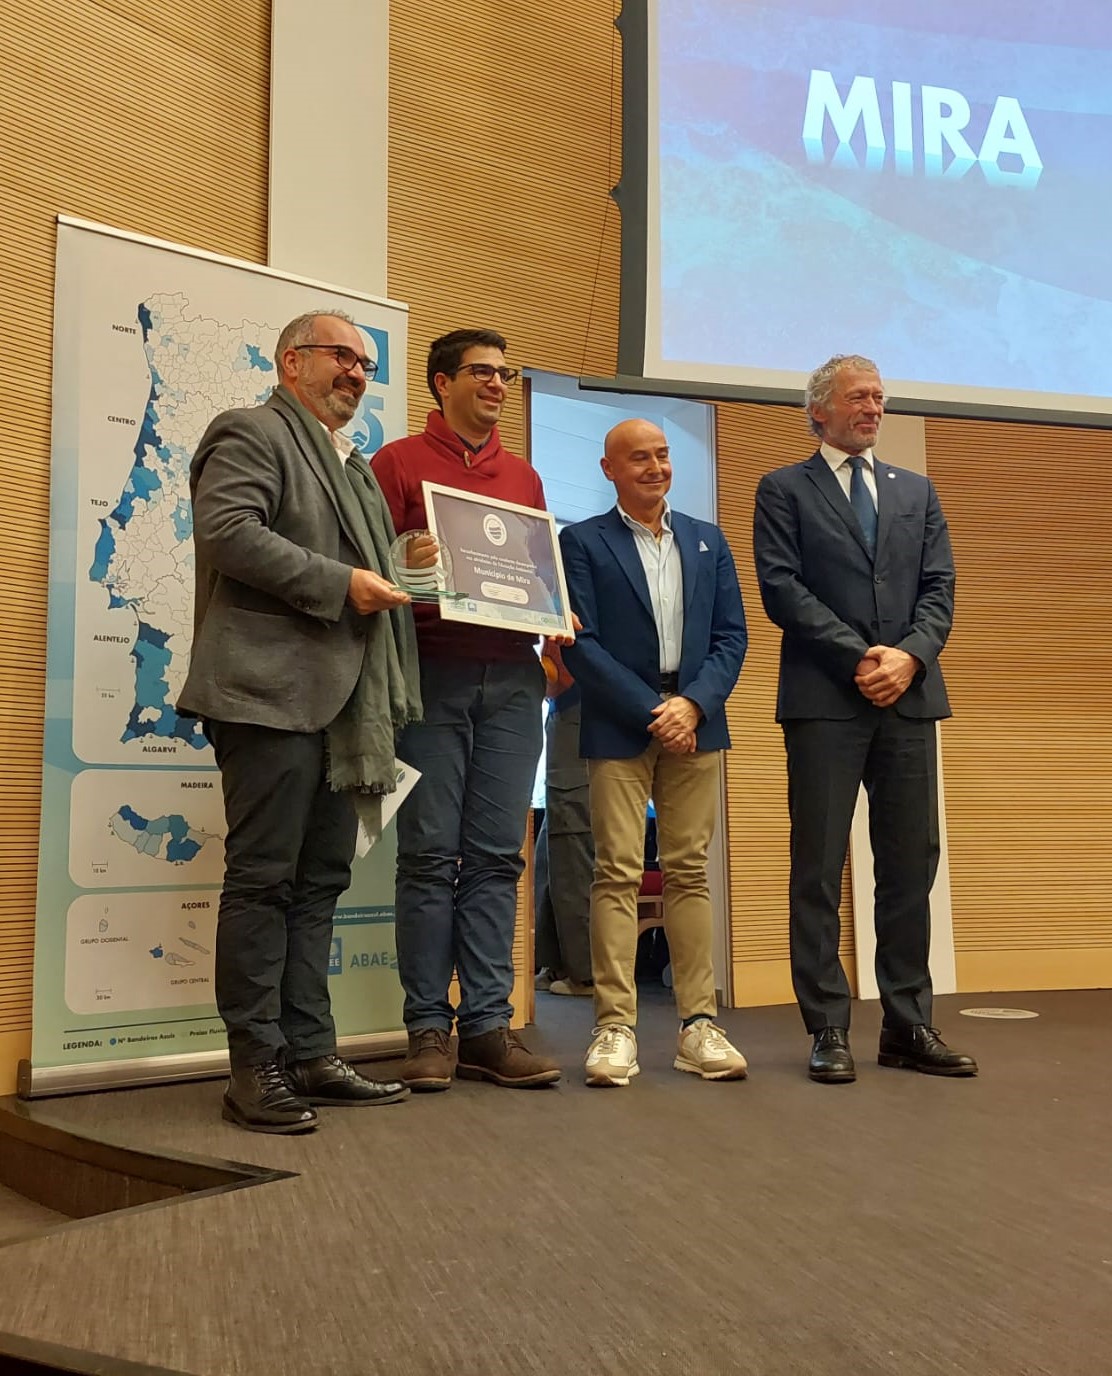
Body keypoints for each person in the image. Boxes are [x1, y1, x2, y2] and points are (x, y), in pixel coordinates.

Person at [178, 309, 419, 1133]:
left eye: (365, 363)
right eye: (340, 356)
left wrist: (404, 564)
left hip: (345, 708)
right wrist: (343, 583)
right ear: (291, 362)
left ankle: (310, 1052)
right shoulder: (251, 431)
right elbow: (227, 532)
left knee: (318, 885)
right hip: (267, 696)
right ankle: (254, 1067)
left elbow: (364, 565)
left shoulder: (353, 467)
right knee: (263, 882)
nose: (356, 372)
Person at [752, 353, 978, 1083]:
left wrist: (908, 658)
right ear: (819, 410)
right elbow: (782, 589)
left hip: (909, 697)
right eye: (858, 396)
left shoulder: (916, 490)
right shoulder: (783, 489)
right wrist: (861, 658)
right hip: (825, 699)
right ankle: (828, 1026)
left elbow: (940, 587)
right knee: (818, 865)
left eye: (879, 397)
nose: (873, 408)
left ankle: (909, 1024)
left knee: (910, 863)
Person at [371, 328, 561, 1091]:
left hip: (513, 679)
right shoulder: (396, 463)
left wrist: (556, 618)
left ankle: (486, 1027)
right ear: (441, 382)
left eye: (505, 374)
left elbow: (539, 573)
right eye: (482, 372)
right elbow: (362, 567)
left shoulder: (525, 477)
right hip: (430, 673)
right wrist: (401, 558)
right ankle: (427, 1029)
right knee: (426, 856)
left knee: (495, 858)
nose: (497, 384)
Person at [561, 418, 749, 1087]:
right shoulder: (582, 542)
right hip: (621, 722)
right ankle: (615, 1028)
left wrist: (692, 705)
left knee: (689, 871)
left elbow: (731, 636)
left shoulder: (707, 540)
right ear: (609, 469)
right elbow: (579, 644)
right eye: (639, 458)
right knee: (615, 871)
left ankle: (699, 1027)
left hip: (696, 720)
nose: (655, 467)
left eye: (663, 455)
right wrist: (654, 711)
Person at [533, 642, 594, 998]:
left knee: (573, 850)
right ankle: (556, 962)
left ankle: (585, 972)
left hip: (578, 711)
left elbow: (557, 679)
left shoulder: (574, 610)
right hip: (566, 714)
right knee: (550, 854)